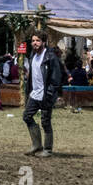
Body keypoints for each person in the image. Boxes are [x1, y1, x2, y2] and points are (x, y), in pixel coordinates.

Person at [22, 28, 64, 157]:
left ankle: (48, 149)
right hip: (35, 94)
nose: (35, 43)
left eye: (38, 40)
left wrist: (50, 94)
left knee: (46, 122)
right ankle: (36, 145)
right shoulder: (32, 56)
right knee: (27, 116)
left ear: (44, 42)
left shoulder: (50, 57)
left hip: (46, 95)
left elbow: (56, 78)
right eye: (33, 40)